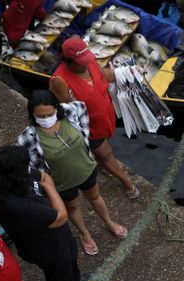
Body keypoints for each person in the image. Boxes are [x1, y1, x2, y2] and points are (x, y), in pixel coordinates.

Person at [0, 145, 98, 281]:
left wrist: (47, 186)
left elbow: (44, 176)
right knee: (59, 273)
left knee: (70, 256)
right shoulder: (15, 204)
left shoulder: (12, 177)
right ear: (14, 172)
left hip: (54, 232)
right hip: (44, 245)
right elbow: (61, 216)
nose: (29, 168)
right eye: (25, 166)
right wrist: (50, 189)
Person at [17, 89, 127, 256]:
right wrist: (44, 180)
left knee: (95, 197)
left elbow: (82, 107)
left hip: (85, 169)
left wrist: (85, 136)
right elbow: (26, 163)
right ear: (32, 114)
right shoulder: (28, 137)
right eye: (41, 116)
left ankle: (108, 222)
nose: (46, 119)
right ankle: (85, 234)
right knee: (73, 207)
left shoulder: (69, 111)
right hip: (62, 182)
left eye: (49, 114)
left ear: (56, 108)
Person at [50, 36, 141, 200]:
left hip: (105, 118)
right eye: (80, 61)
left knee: (105, 151)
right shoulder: (59, 80)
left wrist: (131, 72)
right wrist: (70, 102)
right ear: (68, 61)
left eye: (86, 59)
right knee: (106, 154)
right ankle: (127, 183)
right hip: (89, 126)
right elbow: (66, 110)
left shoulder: (90, 63)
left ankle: (101, 165)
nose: (85, 64)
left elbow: (106, 75)